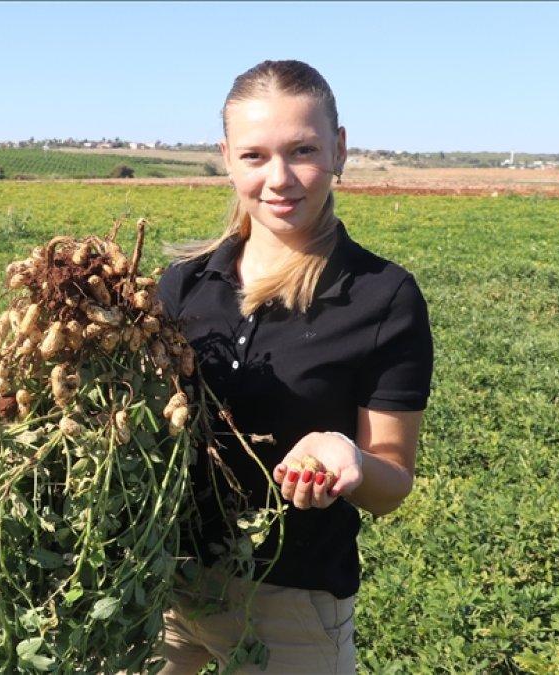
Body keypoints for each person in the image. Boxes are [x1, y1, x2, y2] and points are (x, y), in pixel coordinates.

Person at [155, 60, 434, 673]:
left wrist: (348, 458)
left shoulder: (382, 297)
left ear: (339, 149)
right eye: (254, 155)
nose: (279, 179)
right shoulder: (182, 286)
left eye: (302, 150)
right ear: (226, 160)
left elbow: (392, 483)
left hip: (290, 607)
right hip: (161, 585)